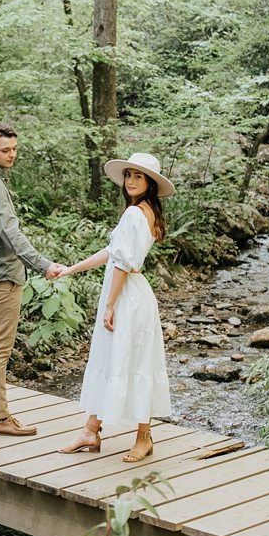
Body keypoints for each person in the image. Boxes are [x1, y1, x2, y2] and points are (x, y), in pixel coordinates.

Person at [58, 153, 174, 462]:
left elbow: (123, 262)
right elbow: (111, 252)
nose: (132, 180)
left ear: (149, 183)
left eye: (139, 176)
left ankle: (143, 436)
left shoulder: (137, 214)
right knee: (111, 358)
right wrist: (71, 269)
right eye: (129, 175)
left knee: (134, 363)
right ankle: (90, 430)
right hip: (127, 294)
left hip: (127, 298)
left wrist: (110, 305)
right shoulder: (138, 211)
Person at [0, 122, 65, 436]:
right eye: (5, 150)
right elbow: (10, 233)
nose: (12, 155)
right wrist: (42, 264)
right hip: (1, 276)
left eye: (14, 149)